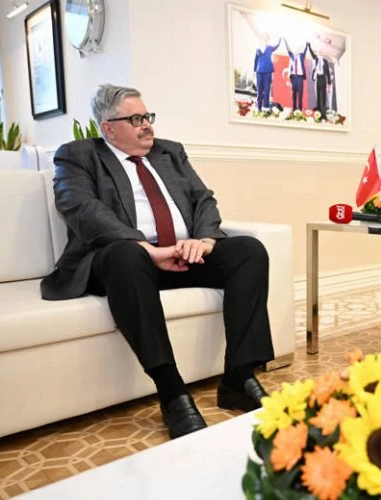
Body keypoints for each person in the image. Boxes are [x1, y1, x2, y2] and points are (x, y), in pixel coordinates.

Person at [41, 84, 275, 439]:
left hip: (181, 254)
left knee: (249, 251)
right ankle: (172, 392)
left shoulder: (170, 152)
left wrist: (204, 241)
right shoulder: (78, 156)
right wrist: (145, 248)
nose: (147, 125)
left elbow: (203, 199)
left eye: (147, 116)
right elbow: (81, 209)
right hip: (126, 263)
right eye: (135, 119)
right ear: (108, 128)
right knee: (125, 254)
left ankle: (238, 377)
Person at [253, 34, 282, 111]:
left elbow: (276, 46)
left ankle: (266, 107)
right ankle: (259, 108)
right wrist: (254, 71)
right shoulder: (258, 49)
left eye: (266, 38)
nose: (265, 39)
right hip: (259, 72)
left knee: (267, 89)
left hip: (268, 71)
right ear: (261, 39)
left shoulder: (270, 48)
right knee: (259, 90)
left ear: (268, 39)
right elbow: (255, 60)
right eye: (263, 38)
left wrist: (280, 40)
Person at [285, 40, 314, 113]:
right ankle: (294, 109)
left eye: (297, 49)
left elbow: (305, 51)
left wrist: (307, 45)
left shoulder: (301, 56)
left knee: (300, 95)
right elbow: (288, 49)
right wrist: (285, 41)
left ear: (299, 50)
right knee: (294, 94)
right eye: (295, 49)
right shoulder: (291, 56)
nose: (296, 50)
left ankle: (300, 110)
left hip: (300, 78)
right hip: (293, 78)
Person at [311, 49, 332, 120]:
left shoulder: (325, 61)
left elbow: (328, 72)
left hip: (323, 79)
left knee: (323, 97)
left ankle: (324, 115)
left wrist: (329, 83)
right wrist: (309, 46)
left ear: (322, 53)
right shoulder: (316, 59)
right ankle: (319, 114)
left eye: (320, 52)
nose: (319, 53)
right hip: (317, 79)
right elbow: (312, 55)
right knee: (318, 97)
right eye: (318, 52)